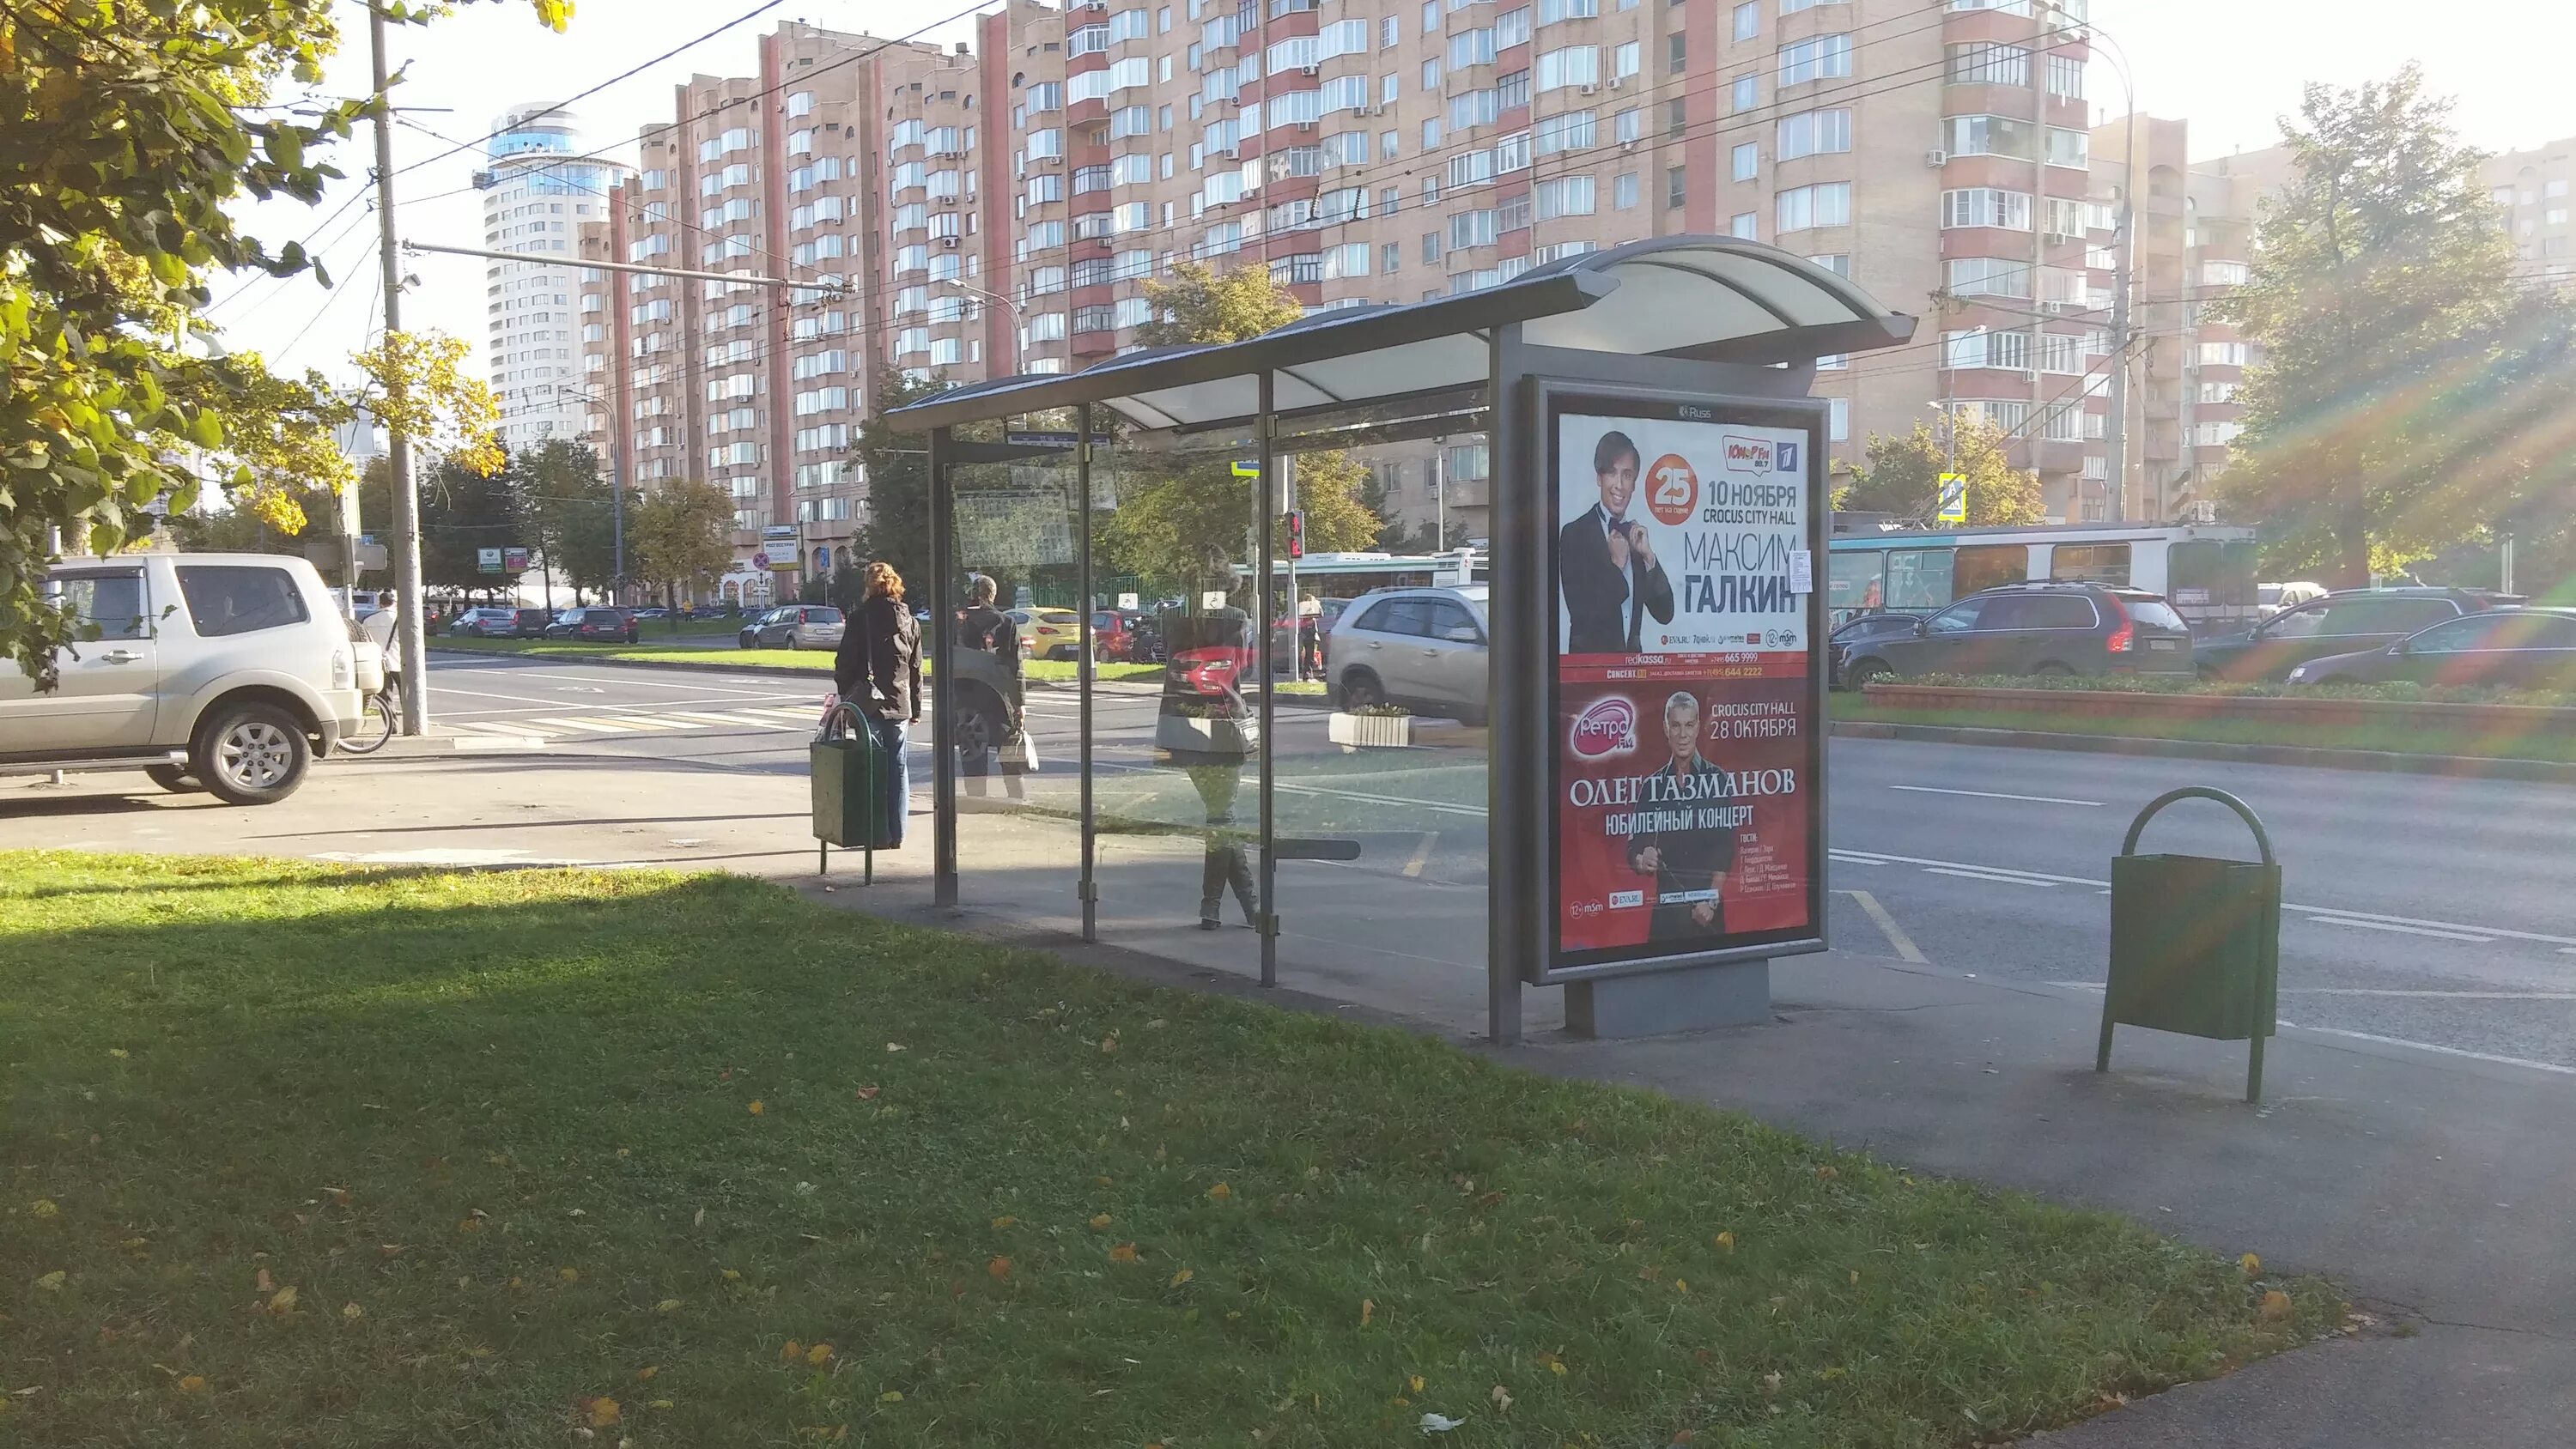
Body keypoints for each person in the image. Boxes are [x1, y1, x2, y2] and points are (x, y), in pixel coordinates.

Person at [1624, 690, 1735, 946]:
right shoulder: (1653, 786)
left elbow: (1725, 850)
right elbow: (1633, 848)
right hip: (1666, 919)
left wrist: (1711, 901)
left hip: (1708, 915)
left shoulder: (1717, 780)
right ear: (1666, 728)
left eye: (1688, 725)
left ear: (1698, 727)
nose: (1682, 735)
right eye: (1676, 725)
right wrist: (1643, 859)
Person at [1559, 428, 1675, 654]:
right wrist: (1617, 565)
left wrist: (1649, 557)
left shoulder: (1635, 538)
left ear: (1634, 484)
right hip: (1590, 676)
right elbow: (1583, 618)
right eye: (1612, 473)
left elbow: (1665, 613)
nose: (1619, 485)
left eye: (1627, 475)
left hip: (1634, 677)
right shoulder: (1575, 534)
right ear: (1599, 478)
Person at [833, 561, 920, 847]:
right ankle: (898, 834)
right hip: (900, 703)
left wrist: (847, 697)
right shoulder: (911, 621)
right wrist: (915, 708)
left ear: (869, 586)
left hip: (867, 704)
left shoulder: (860, 619)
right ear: (896, 583)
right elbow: (916, 668)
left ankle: (876, 832)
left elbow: (843, 662)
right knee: (898, 768)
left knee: (872, 767)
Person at [956, 574, 1026, 801]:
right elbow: (1016, 666)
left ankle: (977, 800)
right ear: (992, 595)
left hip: (966, 699)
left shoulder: (959, 621)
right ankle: (1016, 798)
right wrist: (1020, 703)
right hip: (999, 697)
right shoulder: (1006, 623)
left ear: (972, 594)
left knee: (973, 753)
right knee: (1009, 752)